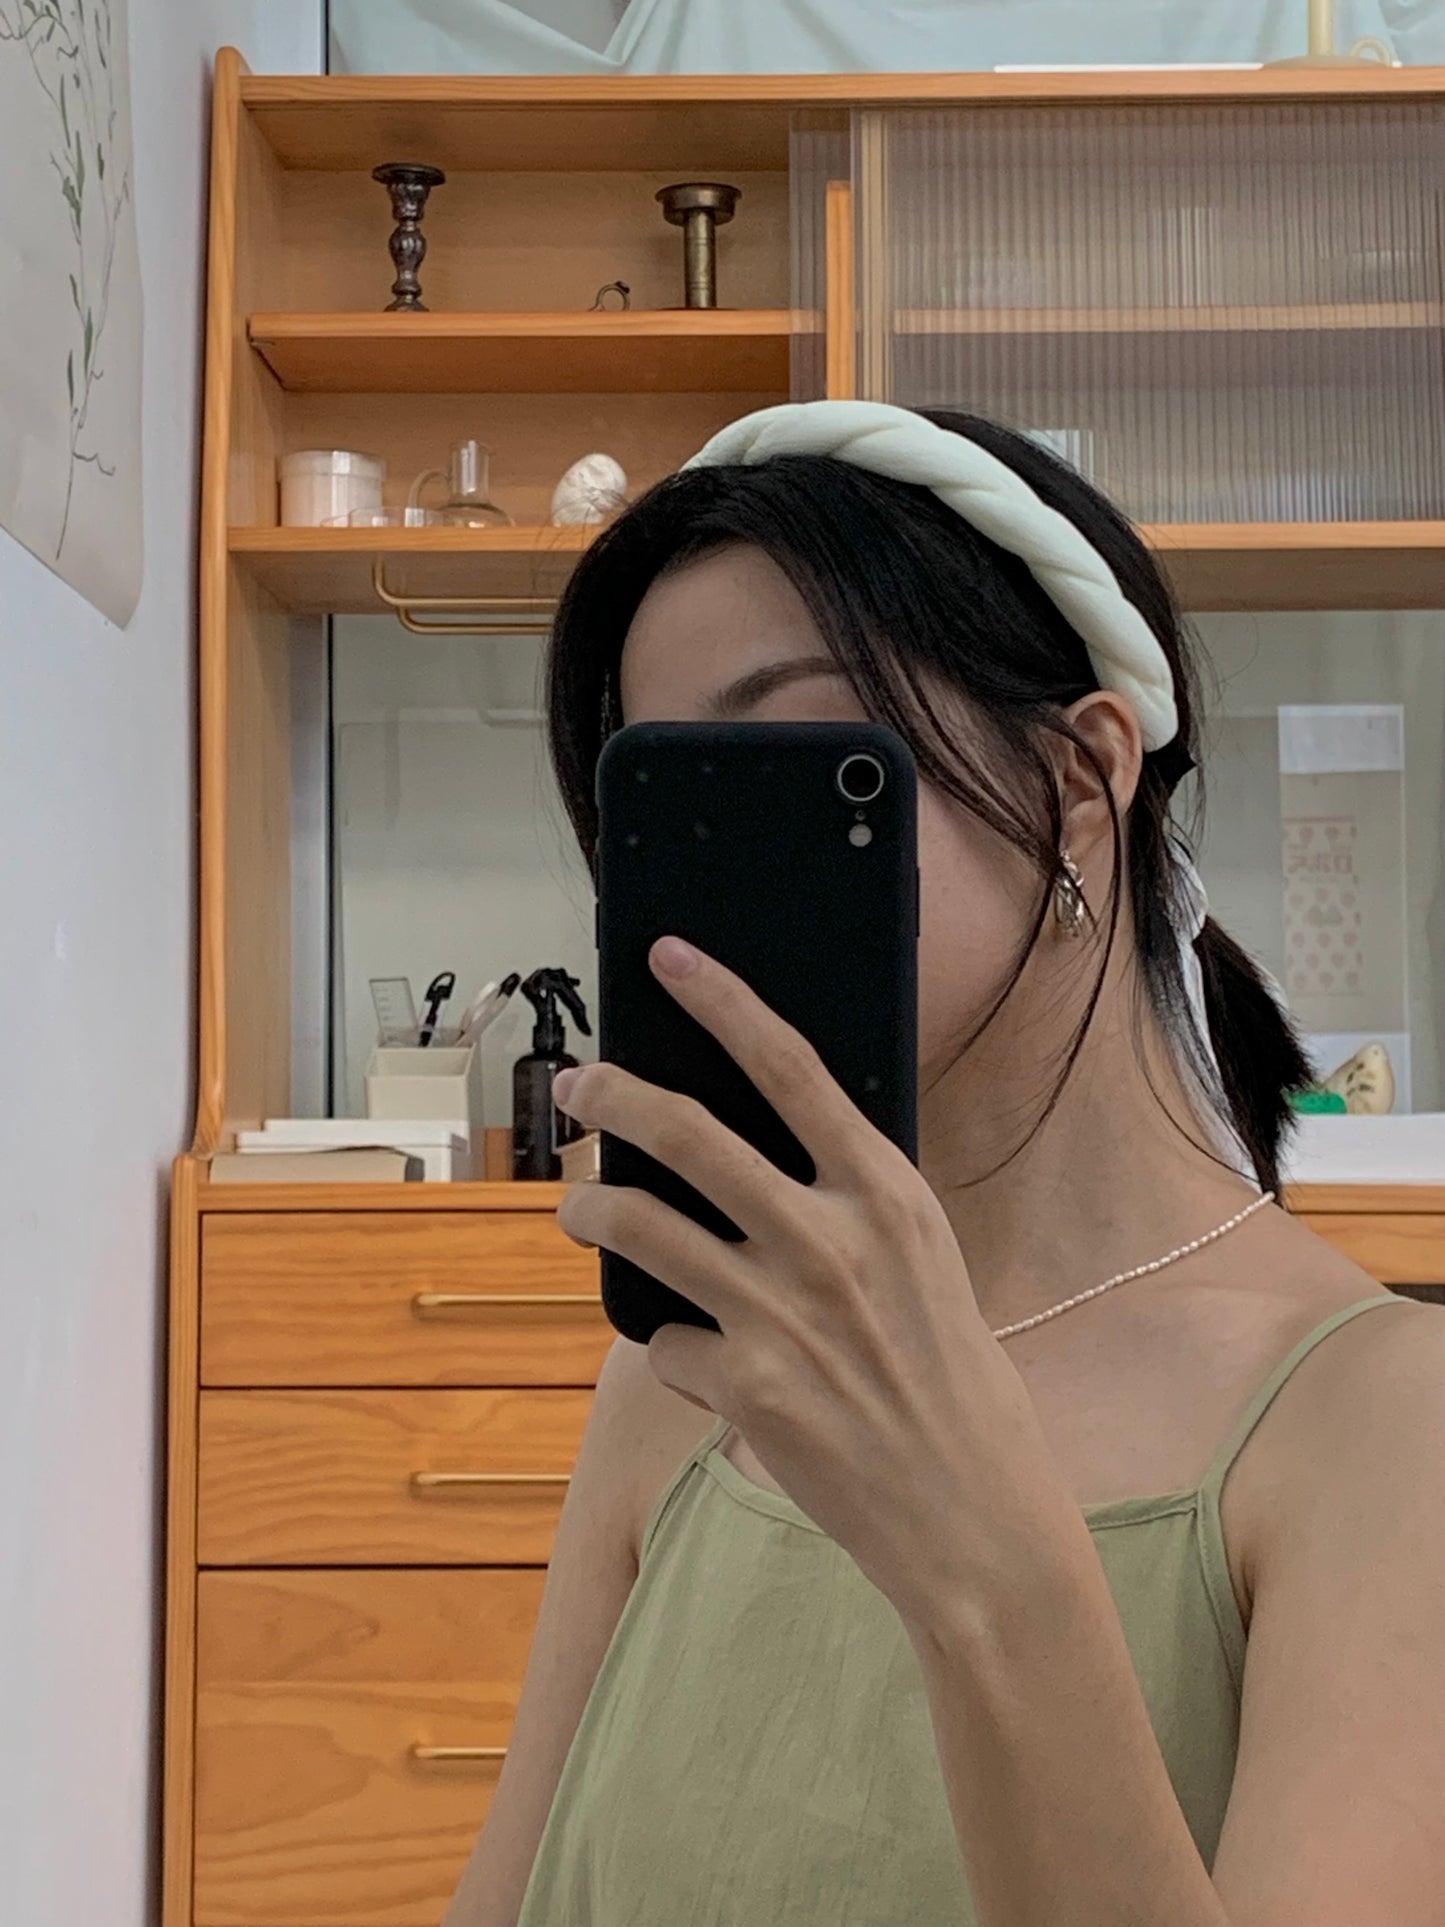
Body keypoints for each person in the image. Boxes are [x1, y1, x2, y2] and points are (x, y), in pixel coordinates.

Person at [444, 402, 1445, 1927]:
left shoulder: (1384, 1430)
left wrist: (984, 1571)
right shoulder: (688, 1371)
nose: (720, 884)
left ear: (1078, 778)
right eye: (670, 803)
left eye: (793, 768)